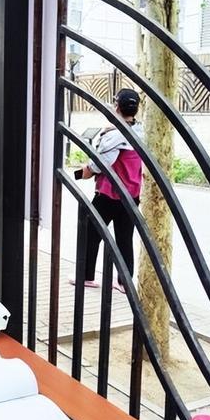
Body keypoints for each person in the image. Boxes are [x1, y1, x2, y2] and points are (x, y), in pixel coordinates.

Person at [72, 88, 143, 294]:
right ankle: (124, 282)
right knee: (124, 239)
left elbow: (98, 166)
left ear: (117, 107)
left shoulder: (114, 136)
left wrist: (76, 174)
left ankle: (86, 276)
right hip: (132, 195)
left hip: (109, 195)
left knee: (90, 232)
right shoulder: (141, 132)